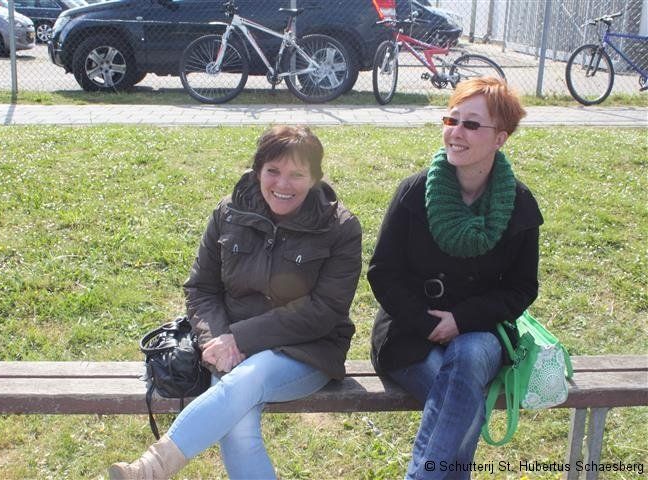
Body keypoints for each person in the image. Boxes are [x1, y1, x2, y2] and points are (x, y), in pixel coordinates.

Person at [110, 125, 362, 480]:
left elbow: (325, 311)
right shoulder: (228, 212)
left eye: (297, 174)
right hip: (229, 348)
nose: (283, 184)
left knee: (252, 376)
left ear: (315, 177)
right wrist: (217, 340)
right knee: (238, 428)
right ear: (258, 170)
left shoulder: (340, 227)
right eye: (272, 171)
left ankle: (152, 468)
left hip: (308, 350)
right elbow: (201, 288)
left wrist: (240, 338)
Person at [367, 77, 543, 480]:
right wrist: (428, 323)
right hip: (409, 333)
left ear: (500, 138)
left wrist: (461, 320)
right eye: (452, 119)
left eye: (471, 124)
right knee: (465, 407)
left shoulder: (519, 203)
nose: (456, 132)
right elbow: (382, 273)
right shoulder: (414, 192)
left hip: (479, 331)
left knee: (466, 361)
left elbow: (522, 288)